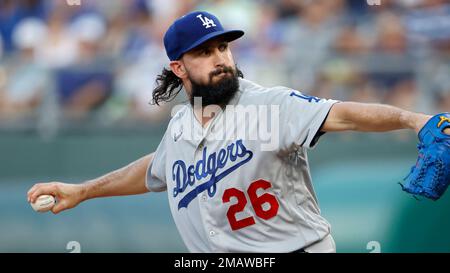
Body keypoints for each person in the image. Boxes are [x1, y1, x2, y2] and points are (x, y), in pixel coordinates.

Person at [27, 11, 448, 253]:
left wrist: (415, 120)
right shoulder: (181, 127)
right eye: (205, 52)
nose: (220, 58)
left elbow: (345, 114)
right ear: (178, 67)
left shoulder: (267, 104)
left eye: (223, 47)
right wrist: (83, 190)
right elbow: (158, 169)